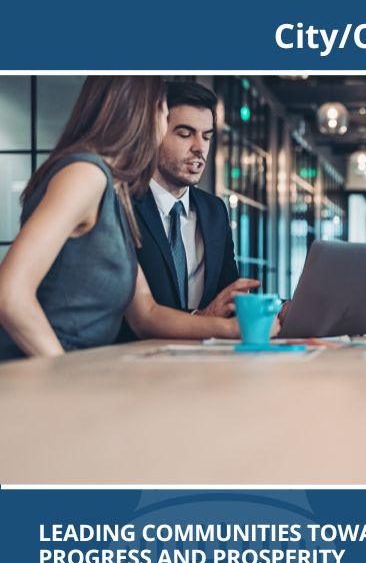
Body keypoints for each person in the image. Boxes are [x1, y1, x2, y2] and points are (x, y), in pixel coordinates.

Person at [0, 77, 258, 361]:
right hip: (40, 376)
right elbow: (10, 294)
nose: (162, 125)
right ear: (141, 116)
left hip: (84, 371)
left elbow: (145, 312)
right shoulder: (86, 174)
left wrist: (235, 329)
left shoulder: (115, 189)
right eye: (163, 113)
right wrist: (62, 372)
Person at [118, 81, 258, 341]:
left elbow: (228, 298)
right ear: (154, 131)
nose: (199, 147)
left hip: (205, 361)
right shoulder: (122, 203)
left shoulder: (215, 210)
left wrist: (283, 309)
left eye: (206, 136)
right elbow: (129, 315)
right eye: (185, 134)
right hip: (136, 363)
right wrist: (200, 319)